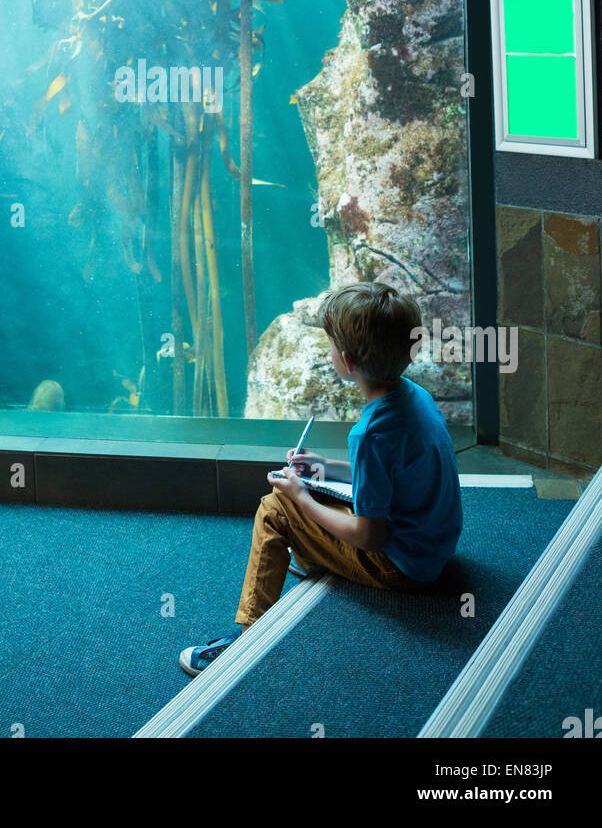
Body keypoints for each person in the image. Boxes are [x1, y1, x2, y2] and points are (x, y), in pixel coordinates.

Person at [180, 282, 463, 676]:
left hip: (400, 567)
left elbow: (370, 536)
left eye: (330, 344)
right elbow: (389, 480)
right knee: (310, 487)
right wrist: (323, 468)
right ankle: (313, 549)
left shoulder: (369, 433)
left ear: (346, 361)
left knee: (276, 507)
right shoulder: (416, 397)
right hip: (434, 547)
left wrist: (303, 500)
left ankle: (245, 638)